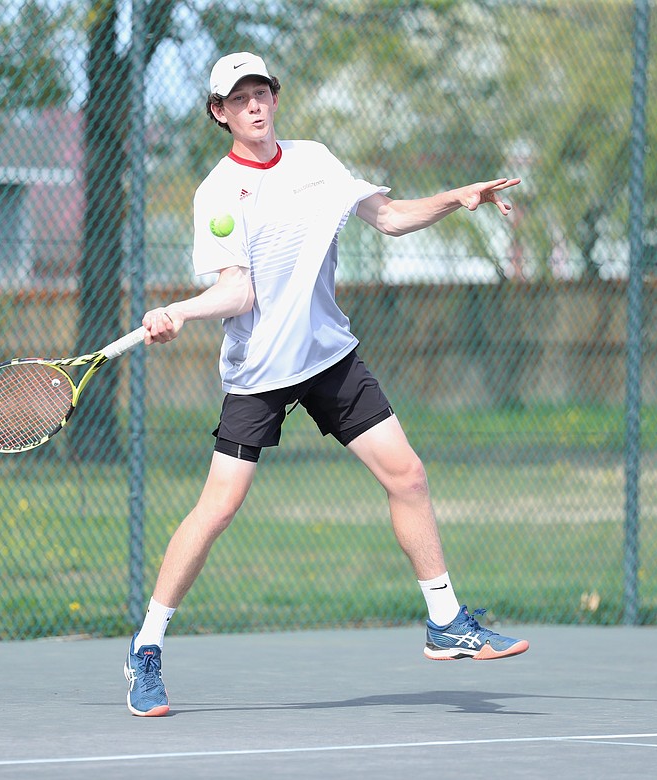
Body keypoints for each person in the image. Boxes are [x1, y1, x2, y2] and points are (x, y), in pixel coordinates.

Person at [122, 52, 527, 717]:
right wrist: (180, 313)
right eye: (239, 97)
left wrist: (458, 198)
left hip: (328, 356)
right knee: (219, 507)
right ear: (219, 113)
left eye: (263, 92)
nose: (254, 104)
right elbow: (238, 290)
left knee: (408, 476)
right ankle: (147, 646)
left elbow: (389, 217)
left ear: (275, 101)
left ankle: (445, 621)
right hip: (260, 370)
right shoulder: (218, 194)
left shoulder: (316, 161)